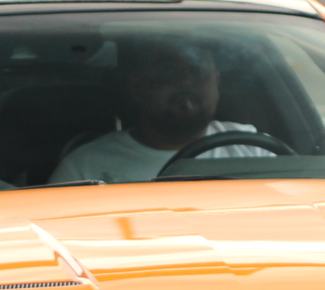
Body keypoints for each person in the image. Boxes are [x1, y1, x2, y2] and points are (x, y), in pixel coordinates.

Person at [50, 38, 273, 184]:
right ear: (137, 87)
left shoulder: (255, 150)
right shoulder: (88, 168)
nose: (186, 81)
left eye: (198, 71)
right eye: (169, 71)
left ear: (216, 85)